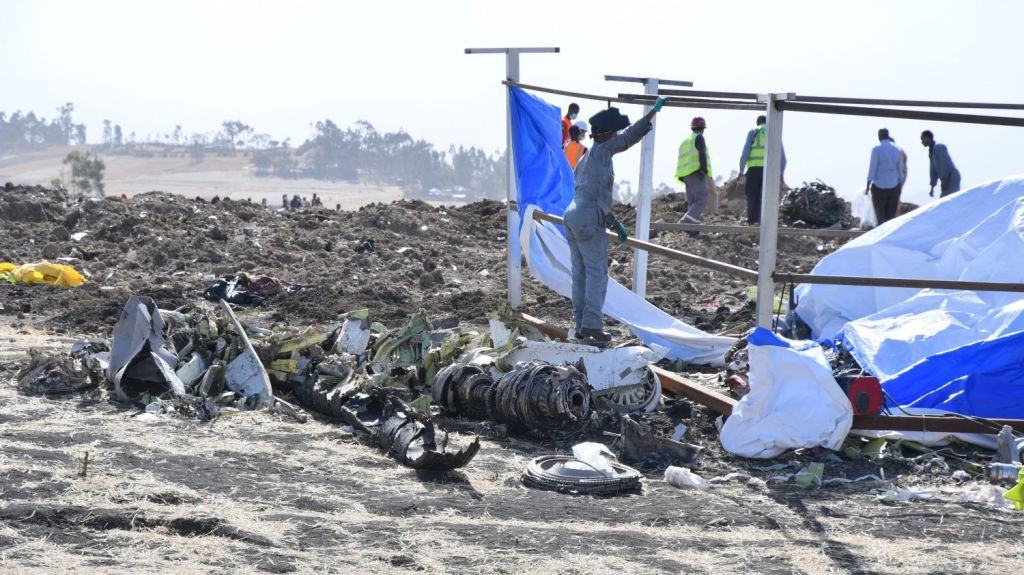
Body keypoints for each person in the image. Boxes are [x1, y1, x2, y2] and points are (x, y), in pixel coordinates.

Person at [564, 97, 667, 345]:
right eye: (616, 132)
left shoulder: (585, 158)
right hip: (588, 217)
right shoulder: (603, 150)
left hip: (572, 214)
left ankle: (580, 325)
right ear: (608, 133)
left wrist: (613, 222)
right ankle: (592, 326)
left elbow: (593, 196)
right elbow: (629, 138)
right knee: (597, 273)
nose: (618, 135)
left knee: (580, 274)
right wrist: (652, 113)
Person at [738, 115, 787, 225]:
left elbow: (745, 153)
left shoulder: (753, 132)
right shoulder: (774, 133)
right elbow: (783, 158)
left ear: (757, 123)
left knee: (752, 196)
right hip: (770, 172)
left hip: (754, 170)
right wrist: (781, 173)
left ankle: (751, 221)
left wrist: (741, 171)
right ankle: (763, 223)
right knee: (766, 197)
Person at [675, 117, 713, 235]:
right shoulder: (699, 137)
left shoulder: (686, 140)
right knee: (701, 199)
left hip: (686, 175)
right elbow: (701, 153)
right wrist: (703, 169)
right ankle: (685, 222)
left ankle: (693, 229)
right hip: (696, 173)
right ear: (702, 129)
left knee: (693, 202)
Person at [865, 128, 905, 225]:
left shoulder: (876, 149)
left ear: (879, 136)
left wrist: (868, 185)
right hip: (894, 186)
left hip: (879, 186)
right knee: (891, 217)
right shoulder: (897, 149)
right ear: (888, 135)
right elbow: (900, 169)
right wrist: (899, 184)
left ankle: (881, 235)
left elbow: (872, 168)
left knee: (880, 216)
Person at [920, 130, 961, 197]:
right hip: (945, 178)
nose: (922, 142)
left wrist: (944, 179)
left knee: (948, 199)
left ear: (927, 138)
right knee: (945, 199)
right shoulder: (931, 151)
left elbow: (944, 164)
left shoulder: (939, 147)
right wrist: (932, 186)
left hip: (951, 177)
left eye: (922, 139)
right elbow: (933, 169)